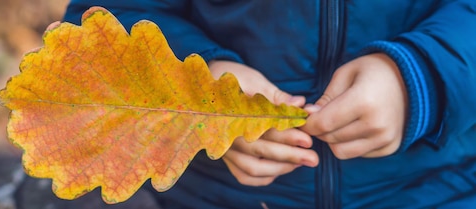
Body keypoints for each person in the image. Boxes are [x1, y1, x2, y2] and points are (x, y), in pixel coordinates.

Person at [61, 1, 476, 208]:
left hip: (440, 190)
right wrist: (203, 93)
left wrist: (424, 77)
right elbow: (109, 20)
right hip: (208, 195)